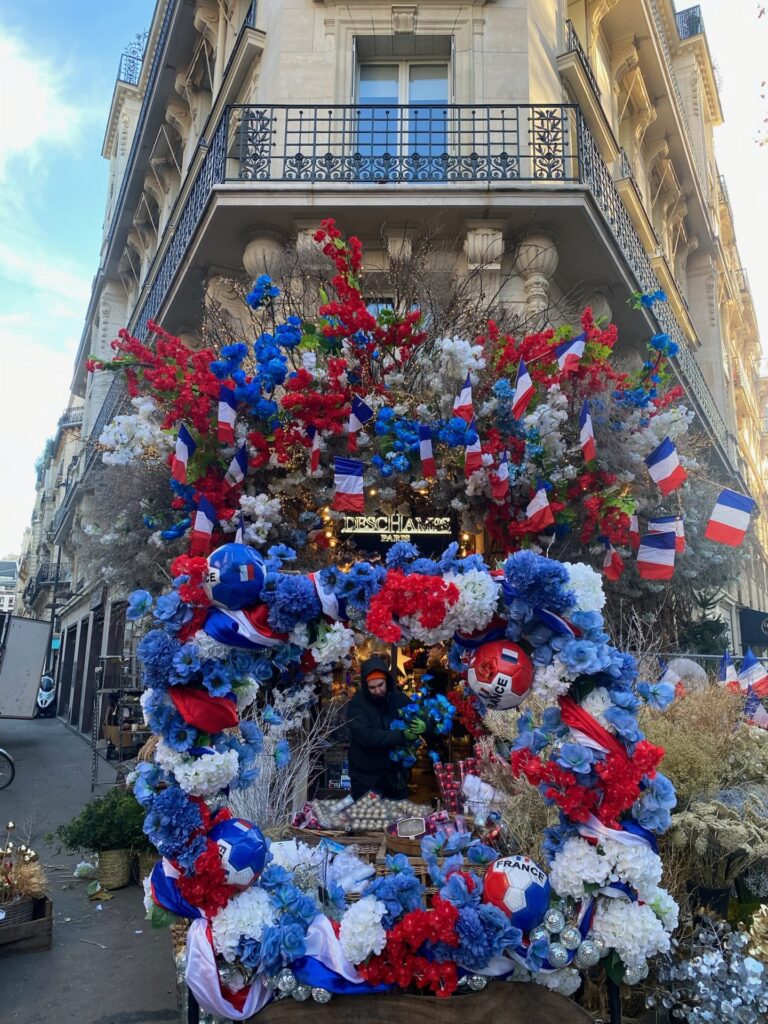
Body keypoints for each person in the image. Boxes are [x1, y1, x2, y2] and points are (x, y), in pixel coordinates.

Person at [346, 655, 411, 800]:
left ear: (386, 681)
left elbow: (417, 718)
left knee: (398, 820)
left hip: (395, 776)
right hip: (366, 778)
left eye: (380, 685)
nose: (377, 690)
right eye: (372, 687)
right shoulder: (357, 704)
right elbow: (367, 736)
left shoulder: (399, 699)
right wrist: (402, 735)